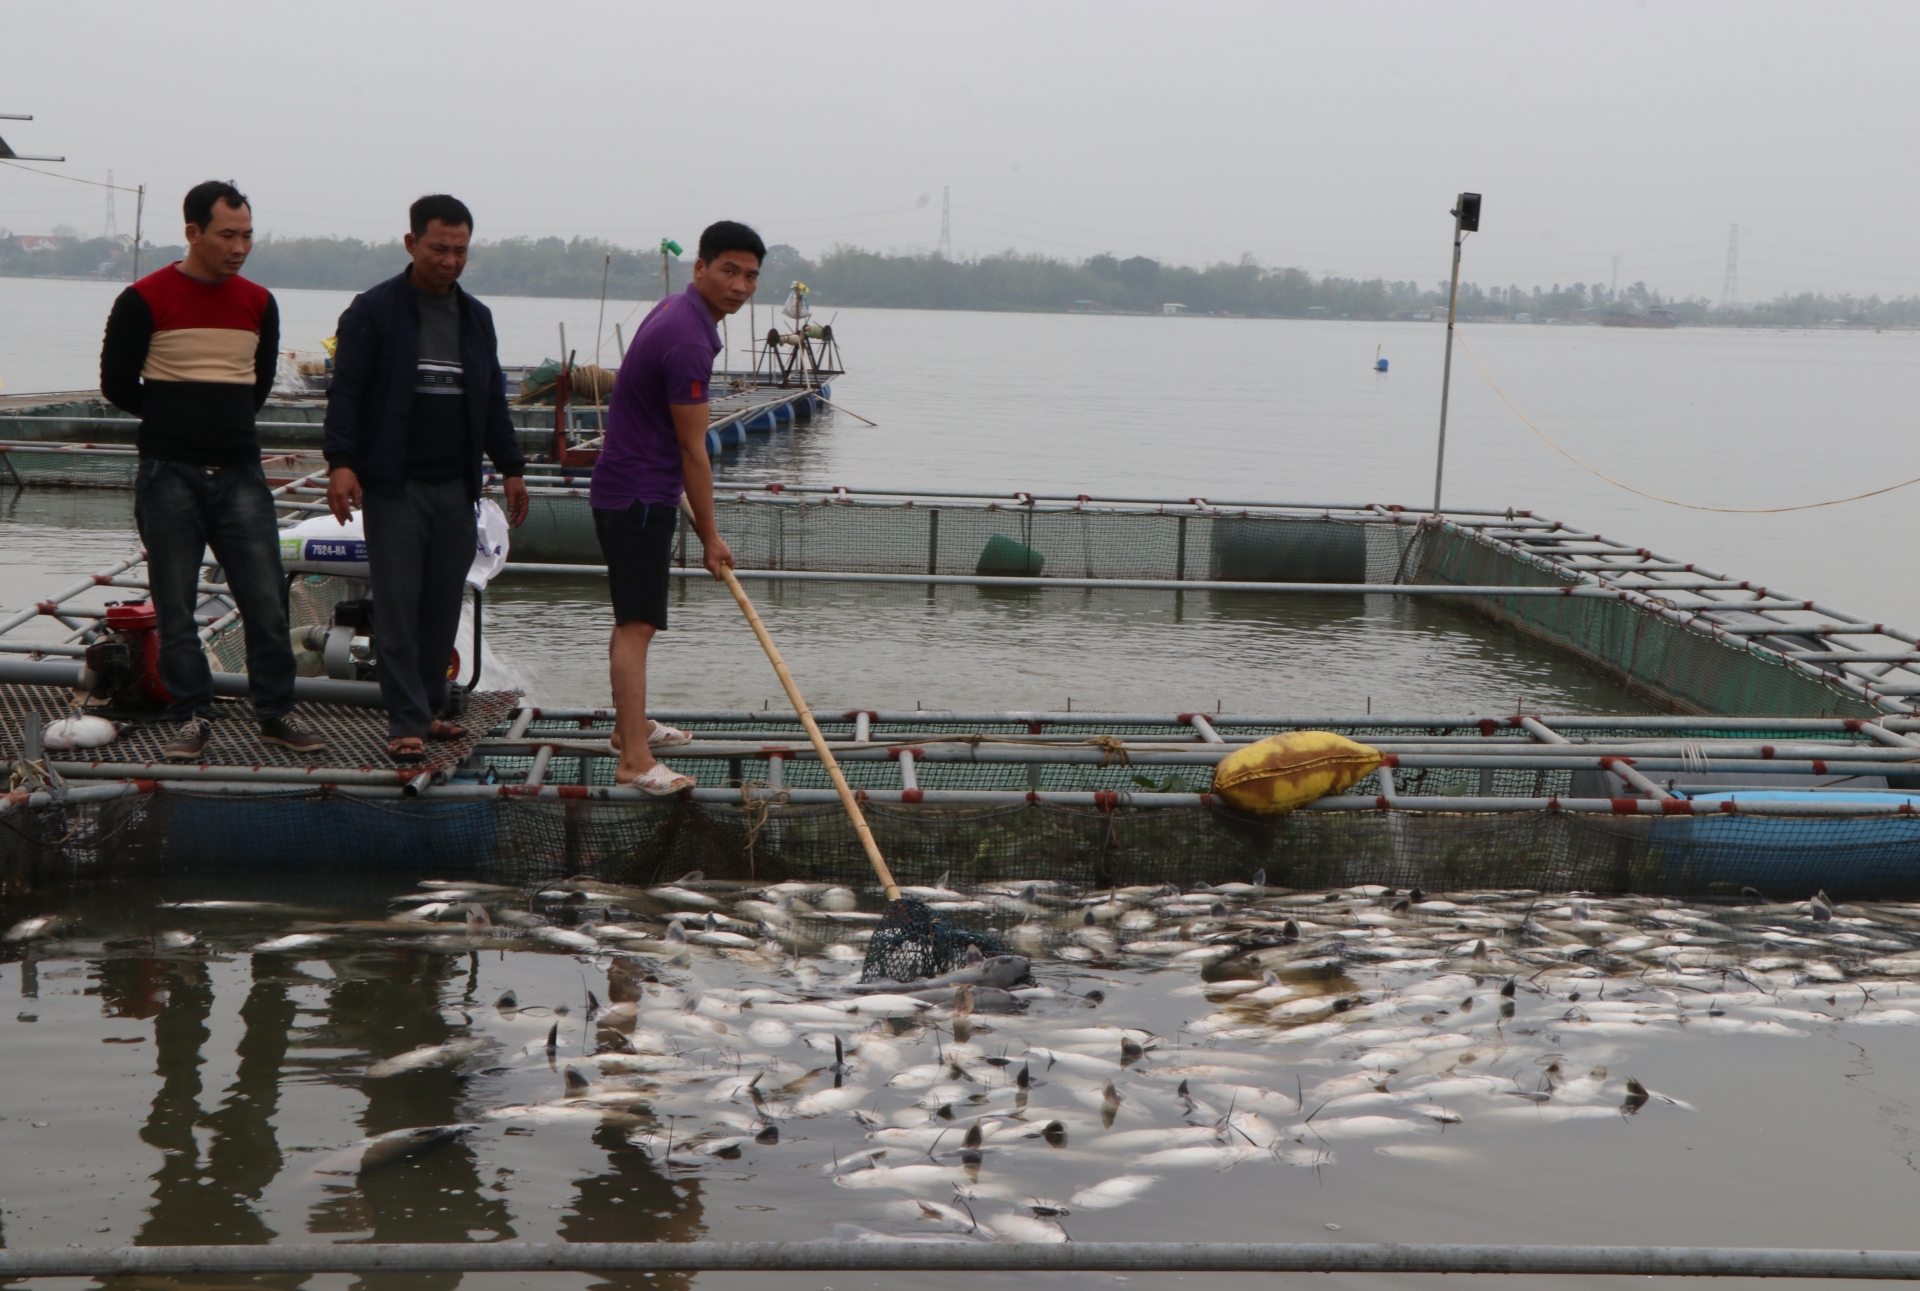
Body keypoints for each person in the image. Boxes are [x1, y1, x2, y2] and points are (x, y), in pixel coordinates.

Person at [100, 180, 324, 760]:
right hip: (167, 473)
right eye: (227, 235)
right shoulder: (143, 299)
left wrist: (216, 425)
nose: (239, 246)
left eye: (247, 235)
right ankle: (192, 717)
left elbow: (257, 384)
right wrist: (179, 417)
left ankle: (275, 715)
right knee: (176, 608)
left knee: (267, 604)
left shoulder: (258, 302)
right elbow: (117, 384)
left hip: (241, 474)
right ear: (193, 233)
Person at [323, 195, 530, 762]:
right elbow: (345, 394)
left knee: (443, 603)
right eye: (439, 248)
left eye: (460, 251)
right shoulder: (372, 311)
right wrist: (340, 462)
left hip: (456, 485)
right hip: (394, 485)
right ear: (412, 243)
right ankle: (405, 721)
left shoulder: (476, 317)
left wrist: (511, 467)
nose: (450, 260)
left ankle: (430, 706)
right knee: (398, 603)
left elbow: (492, 402)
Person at [590, 221, 761, 793]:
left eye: (750, 276)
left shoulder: (678, 310)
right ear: (701, 268)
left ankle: (629, 730)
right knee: (636, 626)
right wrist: (712, 537)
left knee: (632, 621)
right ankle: (635, 760)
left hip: (627, 484)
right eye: (729, 271)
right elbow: (694, 448)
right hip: (638, 494)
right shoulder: (689, 338)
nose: (739, 286)